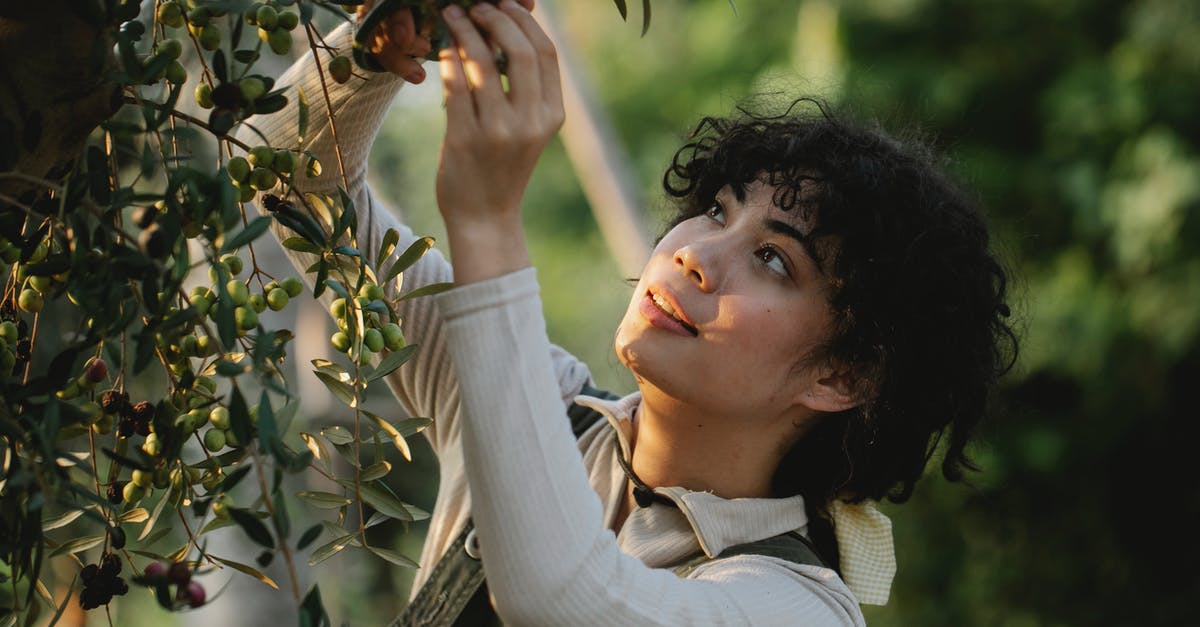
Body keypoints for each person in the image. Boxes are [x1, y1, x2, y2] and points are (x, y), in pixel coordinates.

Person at [250, 1, 1017, 624]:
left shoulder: (793, 606)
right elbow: (288, 184)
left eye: (775, 258)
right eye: (718, 210)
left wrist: (488, 224)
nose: (693, 252)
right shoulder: (537, 410)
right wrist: (375, 52)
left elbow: (560, 597)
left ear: (843, 374)